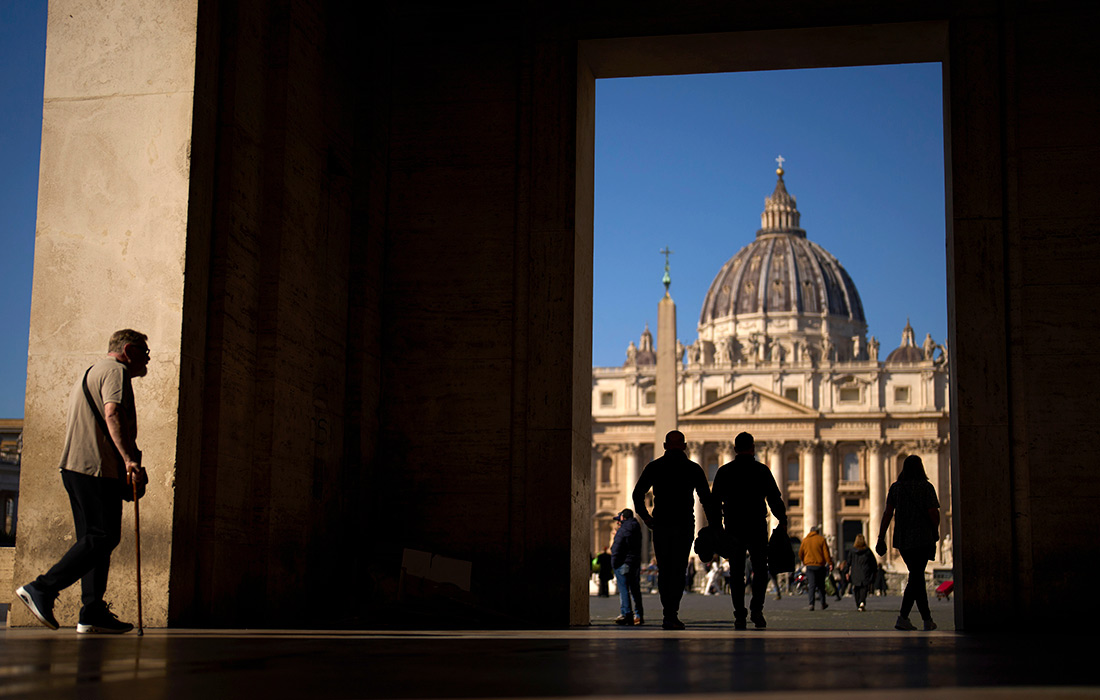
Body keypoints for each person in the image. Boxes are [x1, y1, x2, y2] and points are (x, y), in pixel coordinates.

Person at [16, 329, 150, 634]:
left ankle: (92, 611)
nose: (147, 360)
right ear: (129, 350)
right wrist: (129, 459)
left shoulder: (92, 371)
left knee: (93, 541)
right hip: (96, 468)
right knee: (103, 537)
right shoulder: (116, 372)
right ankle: (42, 588)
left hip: (76, 467)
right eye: (144, 353)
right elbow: (112, 413)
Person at [633, 430, 718, 630]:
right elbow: (706, 499)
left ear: (664, 446)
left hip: (661, 523)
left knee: (664, 570)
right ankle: (672, 612)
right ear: (685, 446)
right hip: (684, 523)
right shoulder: (693, 468)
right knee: (679, 569)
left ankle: (668, 612)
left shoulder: (655, 467)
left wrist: (646, 517)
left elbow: (637, 494)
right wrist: (715, 524)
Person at [710, 431, 787, 629]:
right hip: (756, 526)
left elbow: (714, 502)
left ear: (735, 449)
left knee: (736, 573)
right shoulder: (761, 470)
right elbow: (774, 498)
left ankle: (739, 615)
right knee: (760, 570)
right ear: (753, 448)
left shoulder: (725, 471)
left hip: (734, 526)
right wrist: (782, 519)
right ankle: (756, 609)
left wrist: (716, 526)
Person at [877, 454, 941, 631]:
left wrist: (881, 537)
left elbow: (887, 513)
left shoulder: (896, 488)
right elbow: (933, 512)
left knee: (916, 576)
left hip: (903, 539)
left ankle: (923, 619)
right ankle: (908, 617)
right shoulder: (926, 487)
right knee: (917, 576)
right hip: (923, 538)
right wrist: (935, 529)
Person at [610, 509, 644, 625]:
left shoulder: (623, 529)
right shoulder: (637, 528)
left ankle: (626, 614)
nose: (617, 522)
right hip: (635, 562)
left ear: (623, 518)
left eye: (619, 520)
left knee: (624, 589)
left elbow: (616, 547)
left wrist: (614, 563)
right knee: (635, 590)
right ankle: (639, 615)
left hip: (623, 562)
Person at [799, 525, 832, 611]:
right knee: (821, 585)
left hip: (809, 566)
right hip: (820, 566)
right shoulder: (821, 539)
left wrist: (804, 561)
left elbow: (800, 553)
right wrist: (830, 563)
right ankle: (823, 603)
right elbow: (826, 553)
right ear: (817, 532)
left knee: (811, 585)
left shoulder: (805, 540)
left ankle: (811, 604)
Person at [847, 534, 877, 611]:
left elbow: (848, 562)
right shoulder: (867, 551)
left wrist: (846, 571)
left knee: (856, 588)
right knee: (864, 588)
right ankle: (862, 602)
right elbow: (873, 563)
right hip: (865, 571)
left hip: (855, 572)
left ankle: (858, 603)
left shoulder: (852, 551)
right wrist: (873, 572)